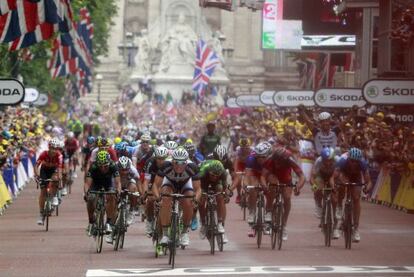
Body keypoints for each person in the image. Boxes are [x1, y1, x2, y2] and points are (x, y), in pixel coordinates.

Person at [152, 148, 201, 247]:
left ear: (186, 162)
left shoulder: (192, 167)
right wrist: (158, 198)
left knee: (189, 202)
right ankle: (165, 234)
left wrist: (196, 199)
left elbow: (198, 189)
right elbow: (155, 186)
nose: (179, 165)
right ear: (172, 161)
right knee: (165, 199)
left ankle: (184, 232)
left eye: (182, 162)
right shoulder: (166, 165)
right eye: (176, 162)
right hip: (169, 183)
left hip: (185, 184)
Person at [261, 145, 305, 241]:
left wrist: (298, 187)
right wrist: (264, 185)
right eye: (276, 161)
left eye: (280, 161)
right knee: (272, 185)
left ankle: (284, 225)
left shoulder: (290, 160)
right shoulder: (270, 160)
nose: (277, 163)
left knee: (287, 197)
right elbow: (263, 176)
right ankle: (268, 211)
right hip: (273, 177)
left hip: (286, 179)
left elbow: (301, 176)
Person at [332, 147, 372, 242]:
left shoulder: (362, 163)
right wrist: (334, 186)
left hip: (356, 177)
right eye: (352, 161)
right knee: (342, 185)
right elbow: (333, 177)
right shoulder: (342, 161)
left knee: (356, 198)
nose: (354, 163)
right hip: (344, 174)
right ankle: (339, 206)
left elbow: (369, 181)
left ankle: (356, 228)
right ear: (349, 159)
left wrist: (367, 188)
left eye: (356, 161)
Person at [84, 150, 121, 243]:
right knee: (91, 198)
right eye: (101, 166)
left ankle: (108, 222)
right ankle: (91, 222)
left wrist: (118, 192)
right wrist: (86, 193)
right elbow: (87, 183)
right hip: (96, 183)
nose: (103, 168)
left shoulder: (113, 166)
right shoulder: (93, 166)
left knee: (112, 196)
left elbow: (118, 182)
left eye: (105, 166)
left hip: (109, 183)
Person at [310, 147, 341, 239]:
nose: (327, 163)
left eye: (329, 160)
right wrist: (314, 186)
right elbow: (312, 176)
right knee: (318, 188)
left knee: (334, 200)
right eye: (325, 161)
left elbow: (337, 176)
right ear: (322, 159)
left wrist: (335, 187)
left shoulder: (338, 161)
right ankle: (318, 204)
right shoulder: (318, 161)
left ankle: (335, 228)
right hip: (321, 176)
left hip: (334, 176)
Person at [198, 160, 230, 243]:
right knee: (201, 200)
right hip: (204, 182)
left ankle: (220, 224)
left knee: (220, 194)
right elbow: (197, 186)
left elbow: (225, 187)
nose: (214, 177)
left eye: (217, 176)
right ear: (209, 171)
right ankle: (204, 224)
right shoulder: (203, 171)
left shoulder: (223, 173)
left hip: (217, 184)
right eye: (212, 175)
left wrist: (226, 195)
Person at [34, 138, 63, 225]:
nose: (53, 151)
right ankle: (41, 213)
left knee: (55, 180)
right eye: (52, 148)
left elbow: (60, 169)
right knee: (43, 191)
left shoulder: (59, 156)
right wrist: (37, 175)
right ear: (49, 147)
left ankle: (53, 197)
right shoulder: (43, 154)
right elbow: (36, 165)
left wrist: (59, 179)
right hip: (44, 171)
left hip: (54, 171)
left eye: (55, 149)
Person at [142, 146, 169, 237]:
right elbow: (146, 181)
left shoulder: (170, 164)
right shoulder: (150, 163)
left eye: (163, 159)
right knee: (150, 200)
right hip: (153, 182)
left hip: (165, 183)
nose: (161, 161)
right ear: (155, 157)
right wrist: (145, 193)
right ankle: (150, 221)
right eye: (159, 159)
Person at [117, 156, 140, 225]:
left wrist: (138, 194)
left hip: (129, 182)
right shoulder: (115, 169)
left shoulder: (133, 171)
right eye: (122, 170)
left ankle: (131, 210)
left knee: (133, 190)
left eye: (126, 170)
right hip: (118, 182)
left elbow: (138, 182)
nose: (124, 172)